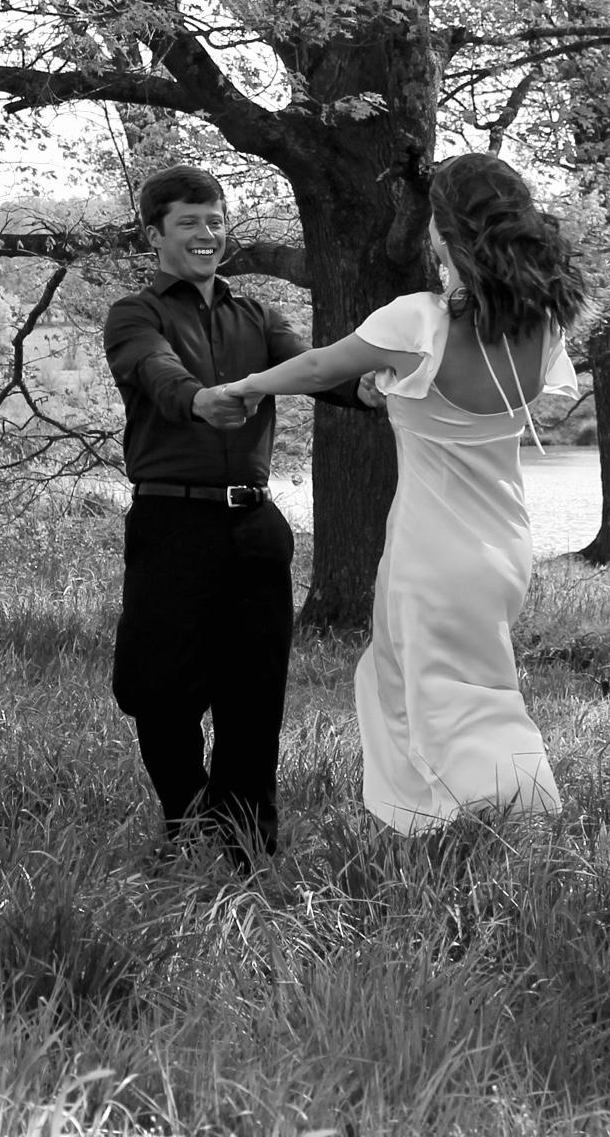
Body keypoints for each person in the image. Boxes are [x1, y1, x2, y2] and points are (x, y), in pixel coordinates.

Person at [225, 152, 586, 834]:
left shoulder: (418, 321)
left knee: (446, 697)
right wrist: (390, 387)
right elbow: (450, 389)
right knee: (428, 682)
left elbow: (317, 366)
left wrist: (244, 387)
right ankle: (431, 826)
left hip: (433, 550)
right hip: (505, 545)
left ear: (443, 232)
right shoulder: (543, 325)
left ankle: (509, 823)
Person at [103, 163, 372, 867]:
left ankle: (247, 848)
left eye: (215, 220)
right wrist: (198, 400)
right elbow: (155, 371)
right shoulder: (135, 314)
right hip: (171, 525)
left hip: (256, 531)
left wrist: (370, 390)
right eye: (188, 221)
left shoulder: (257, 315)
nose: (206, 233)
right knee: (156, 689)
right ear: (155, 234)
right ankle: (188, 821)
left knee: (253, 697)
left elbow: (314, 369)